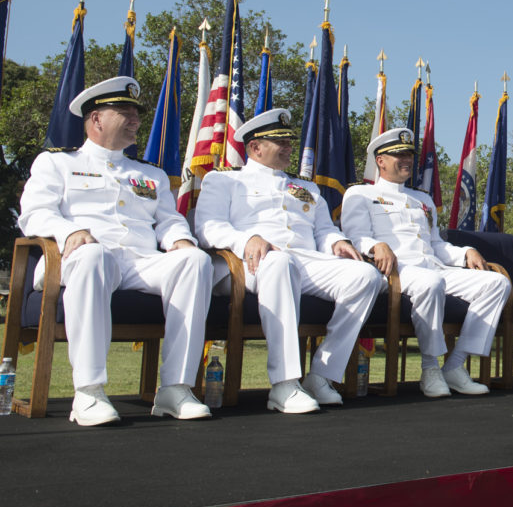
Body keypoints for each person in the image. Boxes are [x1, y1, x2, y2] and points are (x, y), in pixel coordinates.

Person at [19, 76, 213, 426]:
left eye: (136, 113)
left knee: (195, 260)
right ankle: (89, 392)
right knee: (93, 256)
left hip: (140, 261)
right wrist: (70, 231)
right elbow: (35, 214)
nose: (136, 120)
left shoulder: (148, 174)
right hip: (83, 257)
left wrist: (179, 240)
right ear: (96, 119)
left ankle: (175, 388)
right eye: (126, 112)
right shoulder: (57, 163)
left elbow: (168, 221)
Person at [194, 108, 384, 413]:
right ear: (255, 147)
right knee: (280, 263)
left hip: (306, 261)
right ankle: (284, 384)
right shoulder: (224, 181)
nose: (288, 147)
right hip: (250, 264)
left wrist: (338, 242)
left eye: (288, 141)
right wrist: (246, 240)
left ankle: (321, 374)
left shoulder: (306, 188)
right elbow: (208, 227)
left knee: (366, 276)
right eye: (279, 141)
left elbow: (323, 230)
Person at [342, 128, 512, 397]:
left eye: (409, 154)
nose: (406, 159)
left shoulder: (422, 200)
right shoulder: (360, 194)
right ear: (380, 161)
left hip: (431, 266)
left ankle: (455, 366)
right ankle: (430, 368)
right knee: (430, 282)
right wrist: (376, 246)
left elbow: (435, 244)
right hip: (394, 271)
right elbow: (354, 236)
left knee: (497, 283)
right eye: (398, 154)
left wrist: (465, 252)